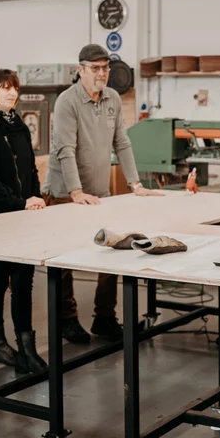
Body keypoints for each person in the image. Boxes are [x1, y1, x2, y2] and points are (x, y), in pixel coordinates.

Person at [42, 44, 163, 344]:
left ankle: (105, 317)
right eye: (94, 68)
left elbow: (122, 142)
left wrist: (135, 184)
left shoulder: (112, 99)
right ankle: (67, 320)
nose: (101, 73)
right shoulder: (66, 102)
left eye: (105, 68)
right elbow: (65, 149)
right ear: (80, 70)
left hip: (100, 191)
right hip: (64, 191)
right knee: (65, 259)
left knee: (111, 252)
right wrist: (75, 191)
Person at [0, 69, 49, 374]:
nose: (12, 93)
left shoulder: (19, 126)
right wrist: (19, 202)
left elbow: (30, 170)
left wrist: (37, 196)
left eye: (14, 88)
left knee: (24, 283)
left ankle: (27, 348)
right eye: (4, 88)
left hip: (24, 218)